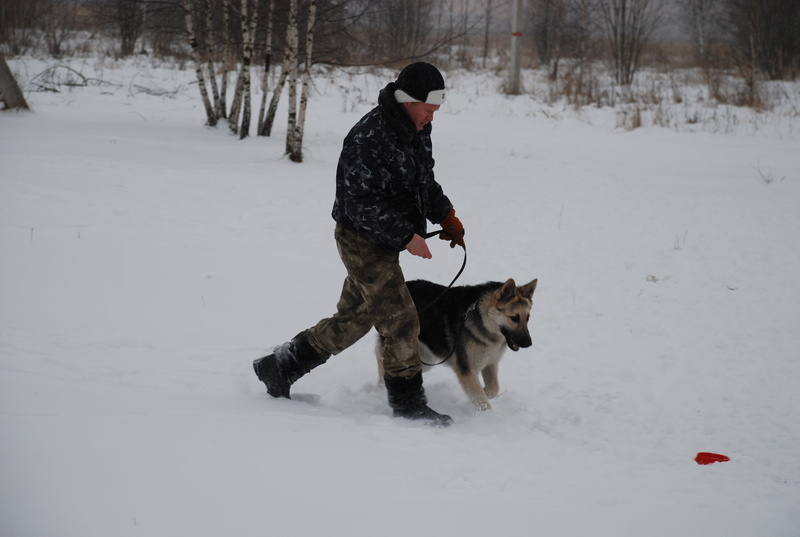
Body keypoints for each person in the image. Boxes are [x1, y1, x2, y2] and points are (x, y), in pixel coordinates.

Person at [253, 62, 464, 427]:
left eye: (435, 112)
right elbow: (359, 204)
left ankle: (280, 366)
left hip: (385, 239)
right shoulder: (369, 138)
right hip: (361, 241)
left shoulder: (415, 130)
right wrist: (406, 237)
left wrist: (445, 216)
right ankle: (408, 404)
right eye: (428, 110)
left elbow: (423, 181)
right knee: (400, 320)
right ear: (407, 101)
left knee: (353, 320)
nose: (431, 119)